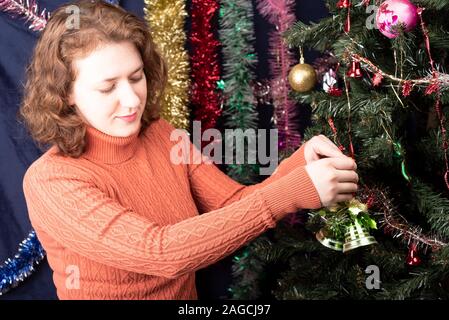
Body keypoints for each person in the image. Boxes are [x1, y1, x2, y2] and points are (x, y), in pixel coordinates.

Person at [19, 0, 358, 300]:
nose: (132, 99)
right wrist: (291, 193)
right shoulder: (52, 181)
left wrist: (299, 167)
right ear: (65, 93)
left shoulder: (161, 134)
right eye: (108, 87)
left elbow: (233, 205)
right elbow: (161, 253)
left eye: (136, 77)